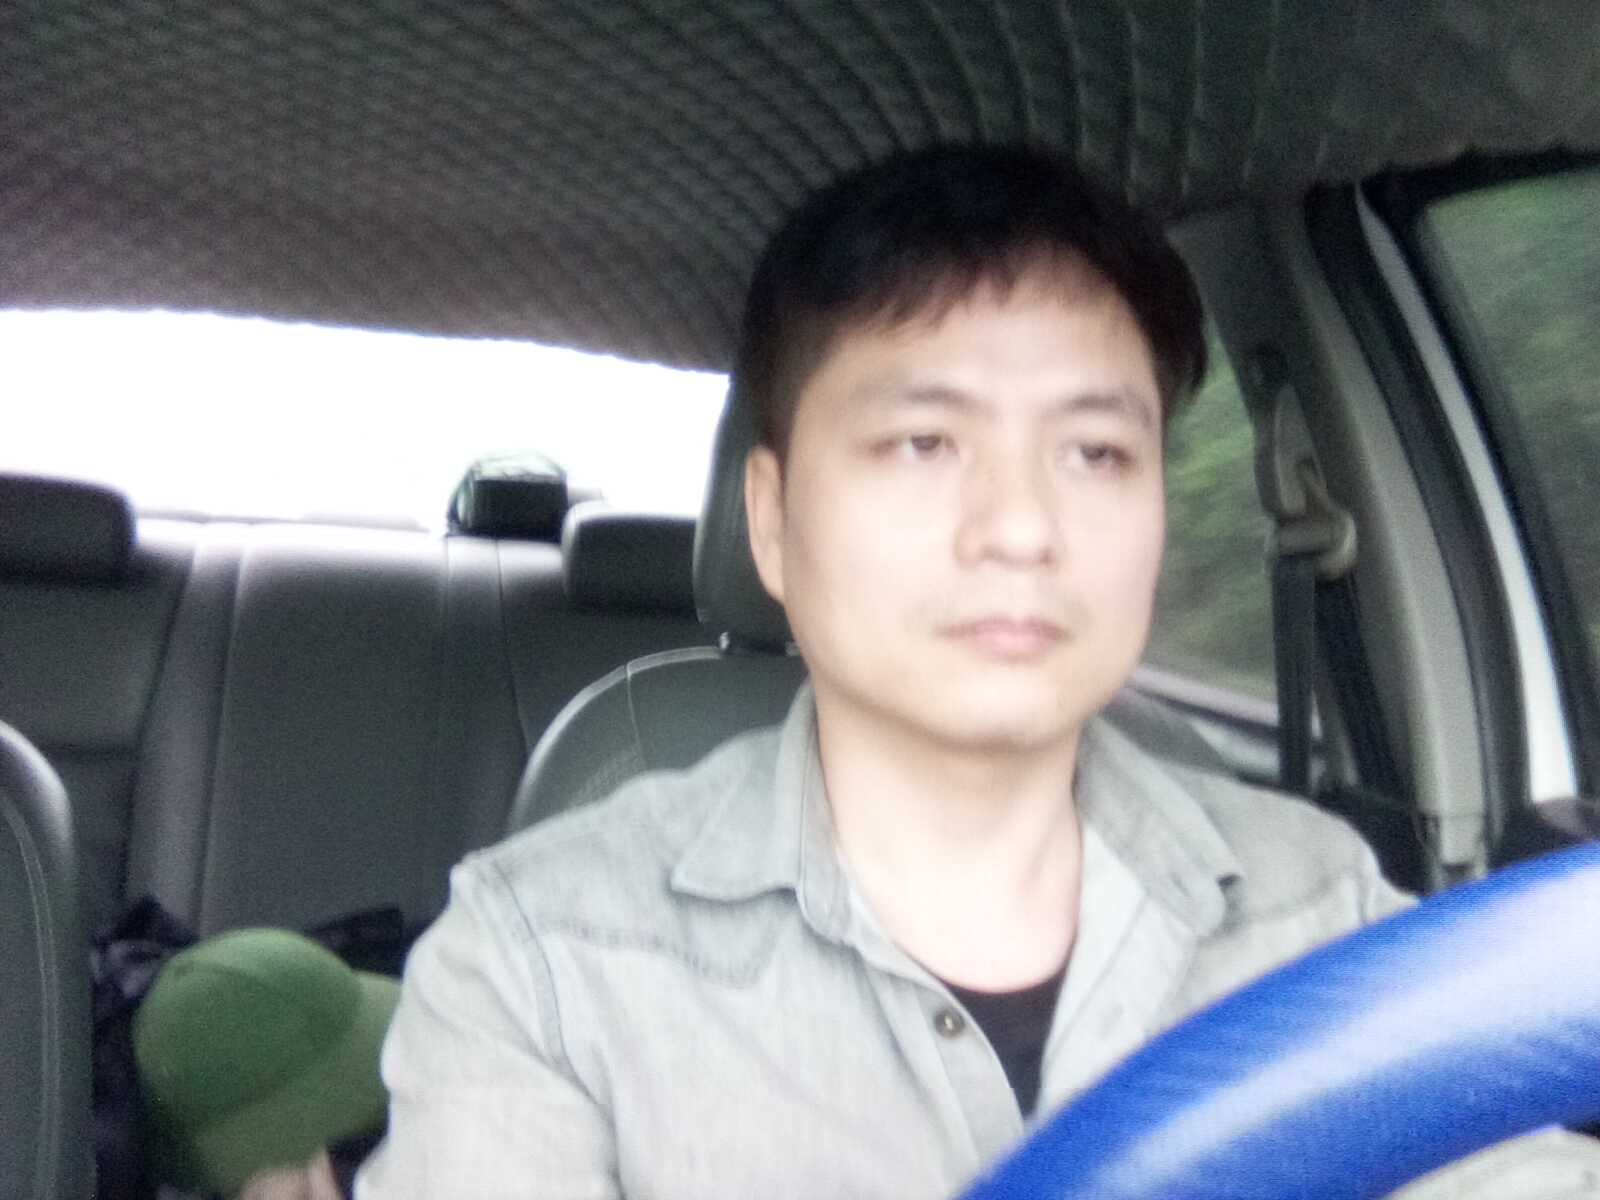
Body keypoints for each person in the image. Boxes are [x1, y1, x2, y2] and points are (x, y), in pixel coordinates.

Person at [356, 144, 1597, 1197]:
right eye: (922, 442)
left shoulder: (1316, 914)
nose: (1018, 526)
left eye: (1095, 453)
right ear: (772, 523)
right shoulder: (541, 965)